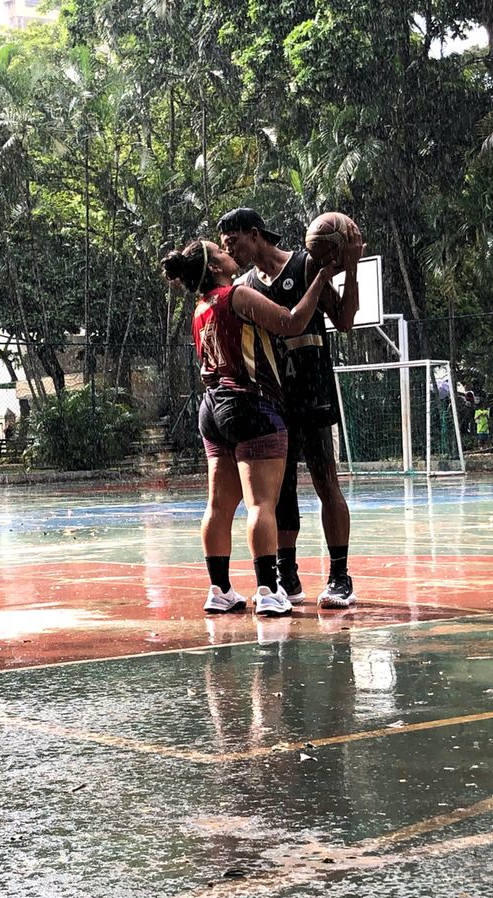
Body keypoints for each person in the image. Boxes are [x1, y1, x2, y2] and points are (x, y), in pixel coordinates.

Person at [161, 238, 335, 617]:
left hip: (212, 407)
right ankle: (270, 590)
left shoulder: (200, 308)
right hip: (251, 404)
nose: (230, 254)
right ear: (215, 268)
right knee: (262, 504)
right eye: (221, 251)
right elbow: (292, 323)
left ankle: (219, 590)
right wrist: (319, 279)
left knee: (219, 505)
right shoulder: (235, 296)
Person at [218, 208, 362, 609]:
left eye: (234, 241)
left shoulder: (305, 265)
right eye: (225, 245)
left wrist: (350, 269)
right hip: (271, 401)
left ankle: (339, 575)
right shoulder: (245, 285)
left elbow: (346, 320)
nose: (231, 249)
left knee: (325, 482)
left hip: (313, 392)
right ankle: (287, 574)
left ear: (255, 233)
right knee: (279, 495)